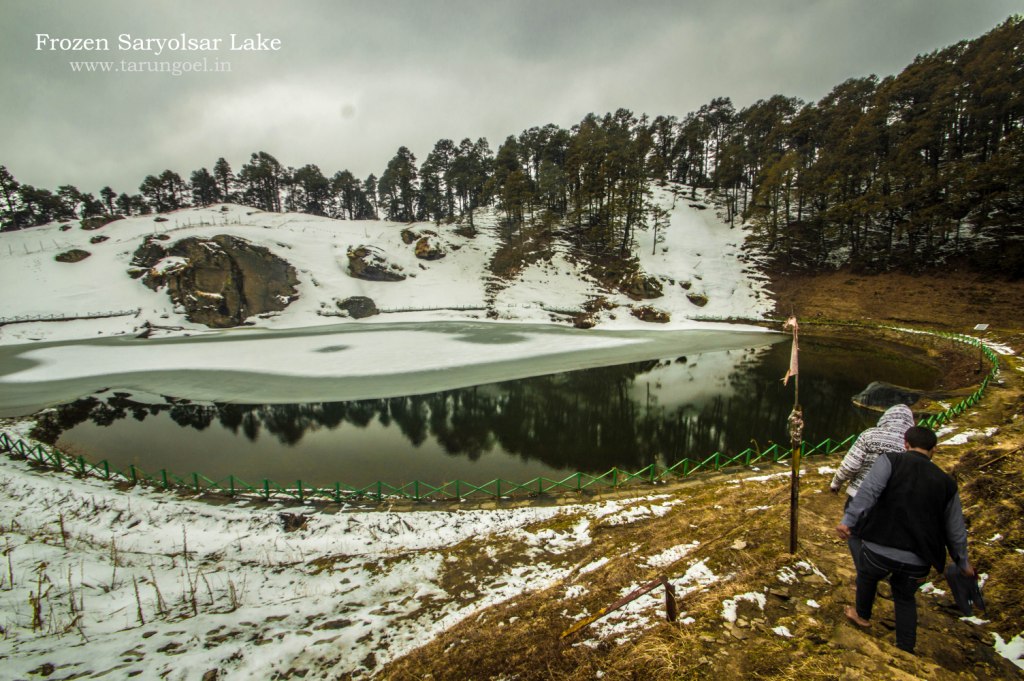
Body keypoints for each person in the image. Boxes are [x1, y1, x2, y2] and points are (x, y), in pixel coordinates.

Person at [836, 426, 974, 655]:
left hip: (878, 547)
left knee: (867, 575)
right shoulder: (946, 483)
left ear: (906, 444)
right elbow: (956, 529)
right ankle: (905, 647)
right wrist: (963, 562)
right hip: (918, 561)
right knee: (905, 597)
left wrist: (848, 521)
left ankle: (862, 616)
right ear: (934, 450)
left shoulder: (890, 461)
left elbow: (868, 492)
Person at [830, 403, 916, 571]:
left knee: (854, 533)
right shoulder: (911, 445)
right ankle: (879, 565)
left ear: (886, 418)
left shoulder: (870, 436)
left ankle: (864, 569)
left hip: (861, 494)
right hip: (892, 500)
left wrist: (836, 483)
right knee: (880, 534)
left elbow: (850, 465)